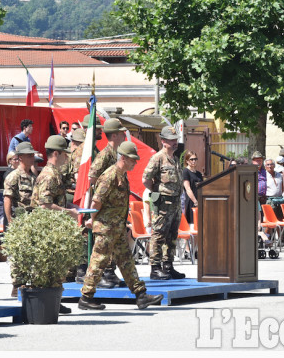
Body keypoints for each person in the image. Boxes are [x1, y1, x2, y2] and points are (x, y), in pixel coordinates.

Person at [78, 141, 164, 311]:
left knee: (126, 261)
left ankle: (141, 296)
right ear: (123, 158)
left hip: (116, 228)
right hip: (106, 228)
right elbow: (96, 202)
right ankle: (86, 297)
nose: (135, 162)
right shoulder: (110, 175)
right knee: (98, 261)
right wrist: (92, 220)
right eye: (133, 159)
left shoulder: (121, 175)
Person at [31, 135, 81, 315]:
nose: (67, 158)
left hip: (53, 227)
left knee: (56, 267)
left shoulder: (55, 174)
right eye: (64, 155)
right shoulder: (49, 175)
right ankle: (48, 302)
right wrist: (70, 212)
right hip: (47, 228)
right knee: (48, 267)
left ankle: (54, 300)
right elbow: (45, 206)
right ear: (56, 154)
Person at [84, 118, 129, 288]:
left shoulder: (116, 153)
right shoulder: (105, 154)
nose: (125, 135)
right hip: (104, 207)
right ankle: (102, 275)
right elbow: (91, 177)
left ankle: (109, 272)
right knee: (102, 247)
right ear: (115, 135)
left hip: (114, 210)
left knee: (112, 245)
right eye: (122, 132)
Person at [142, 125, 184, 280]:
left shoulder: (175, 158)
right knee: (159, 235)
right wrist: (156, 191)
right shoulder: (158, 158)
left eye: (176, 140)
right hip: (163, 203)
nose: (175, 143)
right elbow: (145, 179)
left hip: (175, 203)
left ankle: (168, 266)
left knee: (172, 235)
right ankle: (155, 268)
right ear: (163, 141)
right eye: (172, 140)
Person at [3, 141, 37, 296]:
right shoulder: (13, 177)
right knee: (19, 254)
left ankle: (31, 281)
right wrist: (10, 221)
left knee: (32, 252)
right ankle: (18, 284)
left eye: (32, 155)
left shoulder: (33, 176)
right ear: (21, 157)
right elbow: (7, 199)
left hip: (33, 219)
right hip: (20, 219)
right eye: (29, 155)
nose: (32, 158)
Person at [182, 150, 203, 225]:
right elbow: (188, 189)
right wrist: (195, 202)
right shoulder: (185, 172)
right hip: (191, 202)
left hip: (200, 201)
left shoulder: (199, 173)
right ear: (187, 161)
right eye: (192, 159)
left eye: (195, 159)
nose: (194, 161)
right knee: (192, 224)